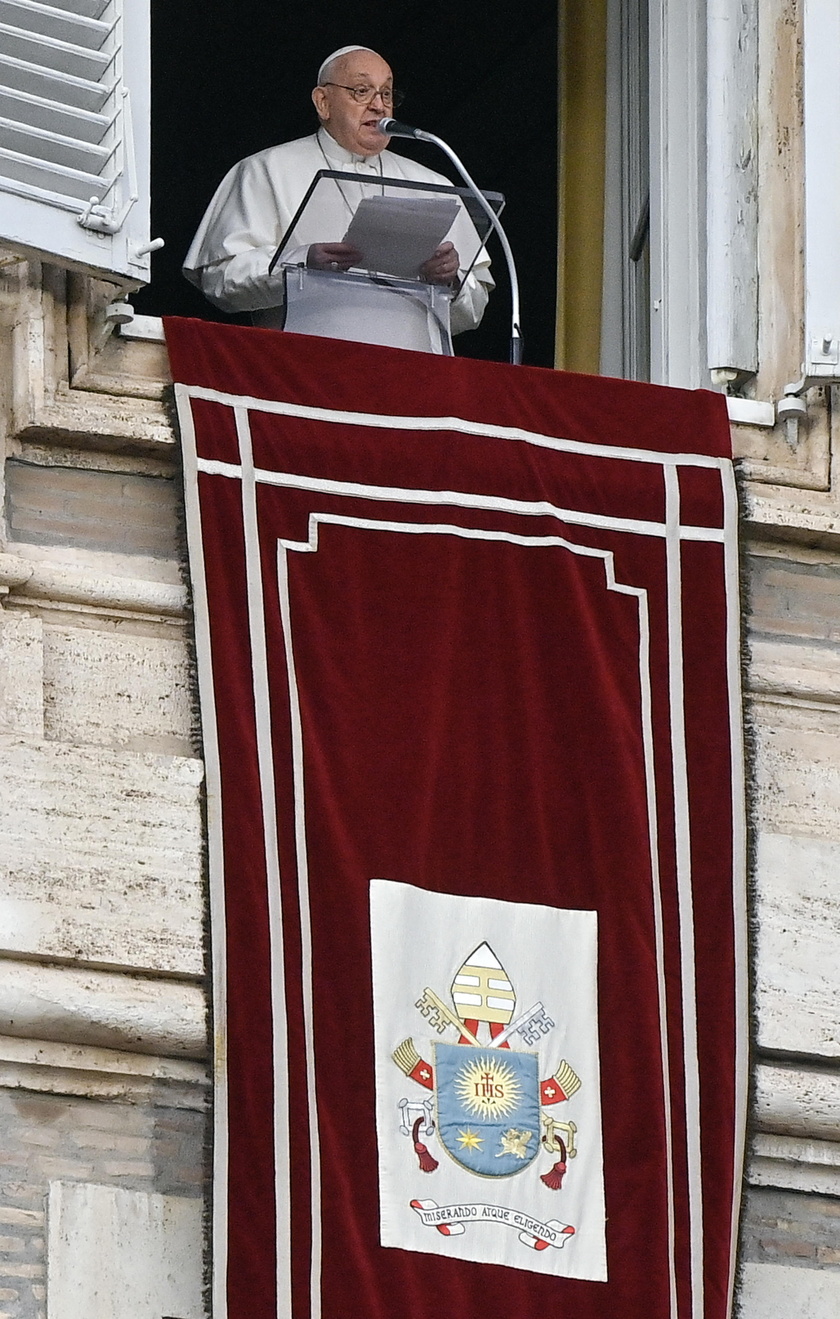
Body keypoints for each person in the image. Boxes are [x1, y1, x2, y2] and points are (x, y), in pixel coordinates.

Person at [183, 45, 493, 336]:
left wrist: (450, 280)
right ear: (323, 102)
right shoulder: (265, 169)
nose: (378, 105)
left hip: (410, 369)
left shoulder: (433, 183)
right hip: (301, 370)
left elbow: (474, 310)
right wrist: (301, 264)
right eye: (361, 91)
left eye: (386, 93)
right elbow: (221, 281)